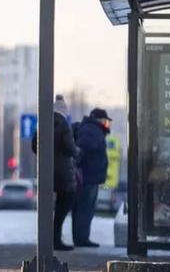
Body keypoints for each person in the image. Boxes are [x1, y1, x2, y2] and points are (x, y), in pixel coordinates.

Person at [32, 94, 81, 251]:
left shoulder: (43, 123)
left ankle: (47, 239)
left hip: (46, 172)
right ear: (64, 111)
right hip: (63, 173)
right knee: (65, 202)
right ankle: (56, 239)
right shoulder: (64, 125)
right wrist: (77, 150)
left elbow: (34, 146)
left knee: (46, 206)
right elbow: (70, 148)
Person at [72, 107, 111, 248]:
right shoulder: (92, 129)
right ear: (99, 119)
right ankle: (82, 239)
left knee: (81, 208)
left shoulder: (89, 128)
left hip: (87, 176)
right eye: (104, 120)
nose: (106, 124)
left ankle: (80, 238)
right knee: (85, 209)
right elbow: (87, 147)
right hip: (89, 177)